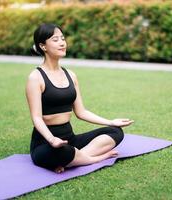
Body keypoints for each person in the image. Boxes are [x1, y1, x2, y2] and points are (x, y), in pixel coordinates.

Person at [26, 23, 134, 173]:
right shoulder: (35, 77)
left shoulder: (71, 75)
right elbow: (36, 118)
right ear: (43, 46)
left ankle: (74, 159)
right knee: (62, 151)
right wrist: (52, 139)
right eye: (55, 39)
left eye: (63, 38)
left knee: (116, 132)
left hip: (70, 139)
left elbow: (81, 112)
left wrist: (111, 122)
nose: (62, 43)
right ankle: (92, 159)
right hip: (45, 143)